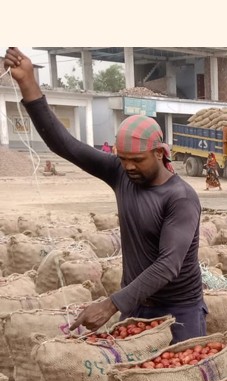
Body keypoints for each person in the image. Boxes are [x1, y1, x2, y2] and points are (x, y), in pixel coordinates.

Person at [4, 47, 206, 344]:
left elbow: (168, 265)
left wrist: (112, 303)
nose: (129, 166)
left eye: (137, 160)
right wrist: (28, 84)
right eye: (123, 158)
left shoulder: (180, 198)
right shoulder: (120, 174)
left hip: (179, 310)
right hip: (137, 306)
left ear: (159, 153)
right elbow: (66, 146)